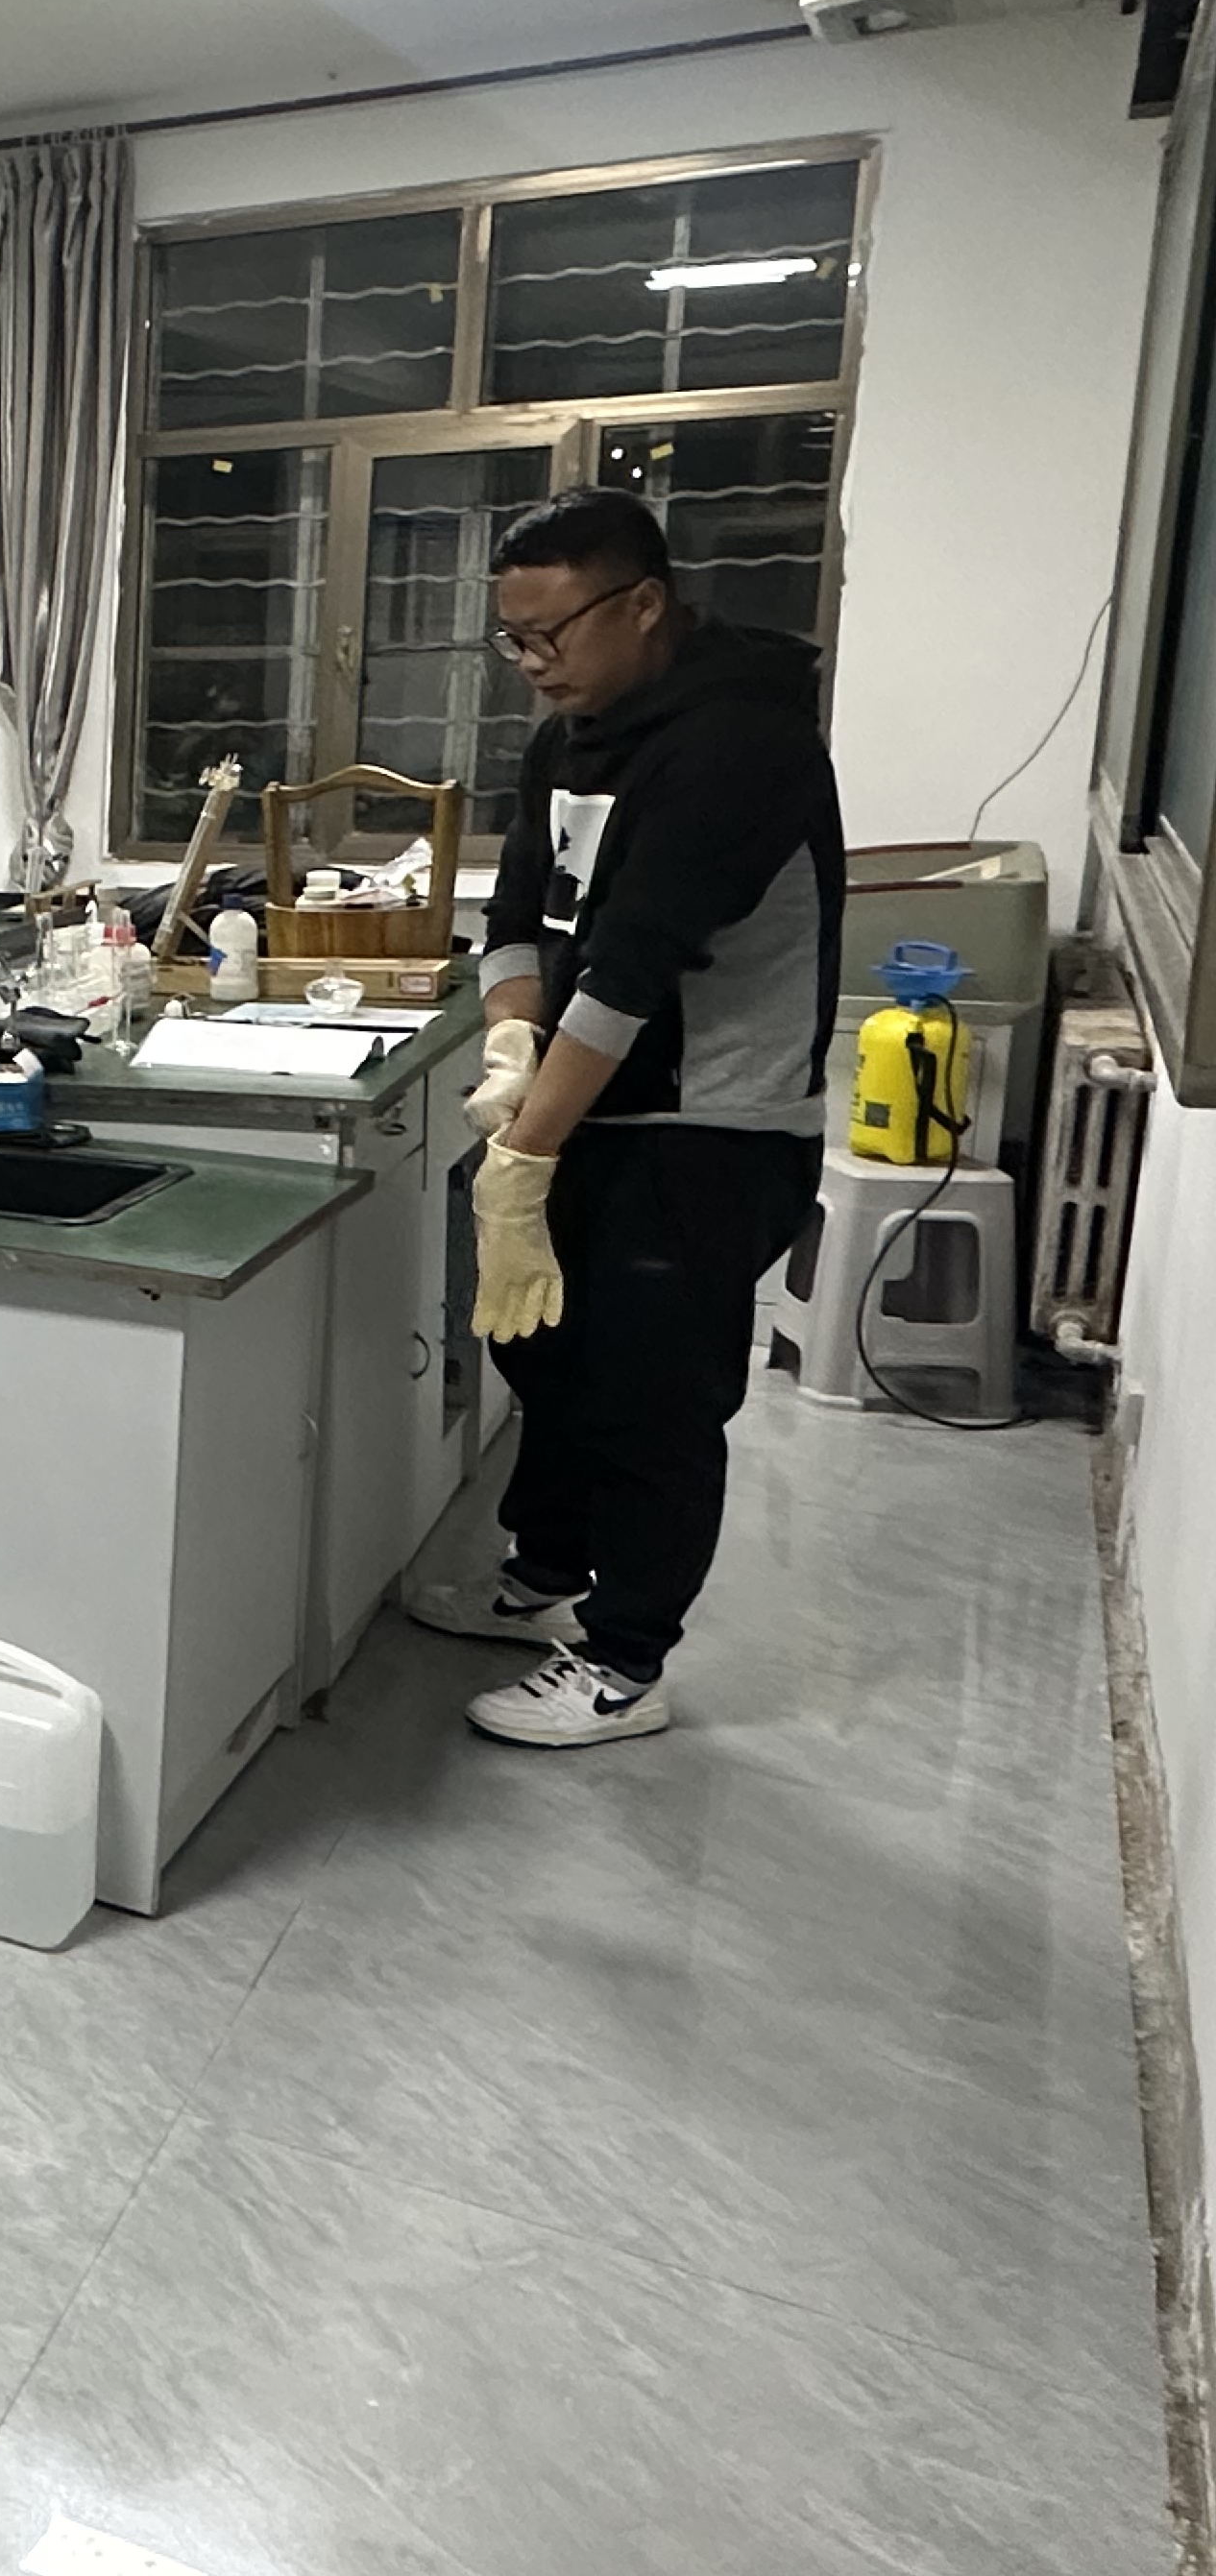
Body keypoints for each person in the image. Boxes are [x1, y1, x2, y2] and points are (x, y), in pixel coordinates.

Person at [423, 489, 841, 1750]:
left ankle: (625, 1663)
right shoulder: (572, 735)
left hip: (709, 1126)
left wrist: (522, 1150)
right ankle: (546, 1572)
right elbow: (515, 921)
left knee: (653, 1394)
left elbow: (630, 971)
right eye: (513, 639)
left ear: (644, 603)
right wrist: (512, 1041)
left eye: (551, 634)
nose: (532, 663)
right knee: (542, 1352)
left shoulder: (743, 745)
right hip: (589, 1103)